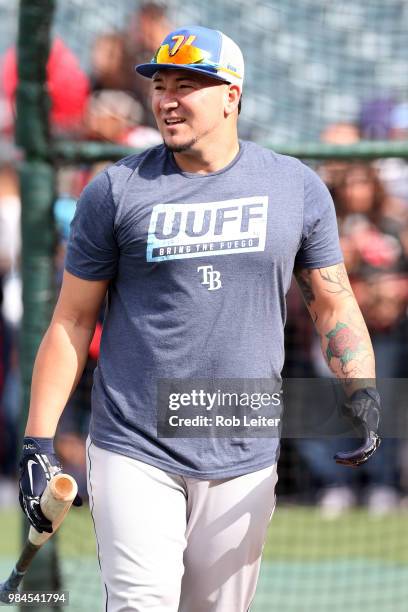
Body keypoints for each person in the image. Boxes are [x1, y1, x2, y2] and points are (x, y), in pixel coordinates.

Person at [19, 25, 381, 612]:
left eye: (187, 85)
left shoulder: (296, 186)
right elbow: (71, 321)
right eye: (160, 85)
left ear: (231, 95)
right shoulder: (114, 191)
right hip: (133, 443)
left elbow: (334, 300)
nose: (166, 99)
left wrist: (360, 390)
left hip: (244, 442)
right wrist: (37, 441)